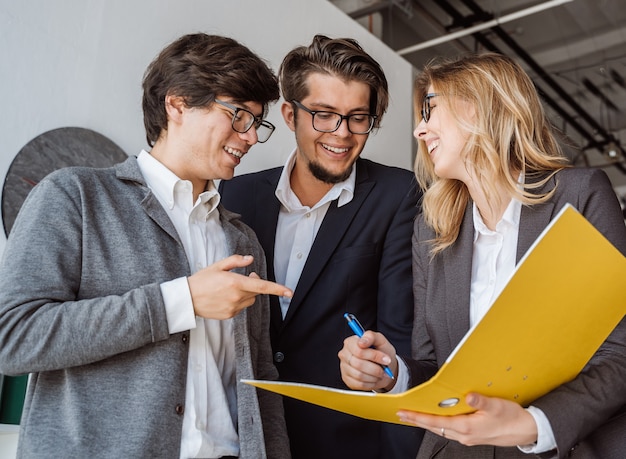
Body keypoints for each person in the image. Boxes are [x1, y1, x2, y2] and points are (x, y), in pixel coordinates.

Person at [0, 33, 294, 458]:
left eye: (256, 123)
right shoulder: (75, 196)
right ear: (176, 104)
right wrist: (182, 300)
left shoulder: (241, 240)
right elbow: (14, 337)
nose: (249, 138)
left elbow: (259, 381)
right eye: (238, 116)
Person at [339, 52, 626, 458]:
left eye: (430, 110)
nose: (420, 130)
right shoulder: (432, 230)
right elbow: (434, 366)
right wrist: (392, 373)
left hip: (562, 446)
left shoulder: (579, 196)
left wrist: (532, 425)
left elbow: (619, 350)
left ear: (478, 105)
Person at [220, 34, 422, 459]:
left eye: (357, 118)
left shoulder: (397, 194)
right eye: (325, 115)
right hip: (248, 437)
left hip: (347, 443)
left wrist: (389, 379)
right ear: (290, 115)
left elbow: (399, 334)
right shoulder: (235, 195)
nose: (342, 134)